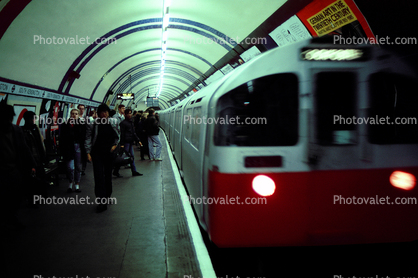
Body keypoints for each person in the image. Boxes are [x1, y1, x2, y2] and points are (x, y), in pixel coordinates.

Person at [0, 102, 36, 226]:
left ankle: (12, 217)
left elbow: (25, 148)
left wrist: (32, 164)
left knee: (15, 195)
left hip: (15, 169)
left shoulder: (16, 130)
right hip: (3, 170)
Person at [85, 103, 119, 213]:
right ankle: (101, 201)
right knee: (98, 176)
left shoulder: (113, 122)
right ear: (98, 113)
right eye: (102, 112)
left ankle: (107, 195)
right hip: (97, 153)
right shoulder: (93, 124)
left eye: (106, 112)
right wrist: (88, 152)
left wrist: (115, 145)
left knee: (108, 175)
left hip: (109, 153)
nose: (104, 114)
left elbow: (118, 135)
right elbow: (88, 138)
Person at [22, 111, 48, 204]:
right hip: (31, 159)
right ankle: (33, 200)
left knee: (39, 178)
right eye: (32, 118)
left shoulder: (35, 128)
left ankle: (40, 197)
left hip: (38, 158)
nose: (33, 120)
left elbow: (40, 144)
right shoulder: (23, 131)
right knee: (32, 180)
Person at [60, 108, 85, 193]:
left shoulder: (81, 125)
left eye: (76, 114)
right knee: (70, 167)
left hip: (78, 147)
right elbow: (62, 138)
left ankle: (77, 184)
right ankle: (70, 182)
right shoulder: (65, 125)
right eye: (72, 113)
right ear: (70, 115)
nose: (74, 115)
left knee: (78, 167)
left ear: (78, 115)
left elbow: (84, 137)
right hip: (69, 148)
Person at [113, 108, 143, 177]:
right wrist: (122, 144)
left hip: (130, 142)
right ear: (125, 114)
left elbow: (133, 133)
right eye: (128, 113)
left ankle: (134, 171)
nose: (130, 114)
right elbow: (122, 134)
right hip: (125, 143)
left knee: (130, 157)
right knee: (123, 158)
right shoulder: (123, 123)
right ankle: (116, 171)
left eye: (130, 113)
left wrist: (138, 140)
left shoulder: (131, 122)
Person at [77, 104, 88, 175]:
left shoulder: (86, 119)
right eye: (80, 109)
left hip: (84, 139)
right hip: (78, 139)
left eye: (83, 109)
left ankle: (83, 169)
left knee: (84, 155)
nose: (82, 110)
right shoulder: (75, 119)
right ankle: (78, 168)